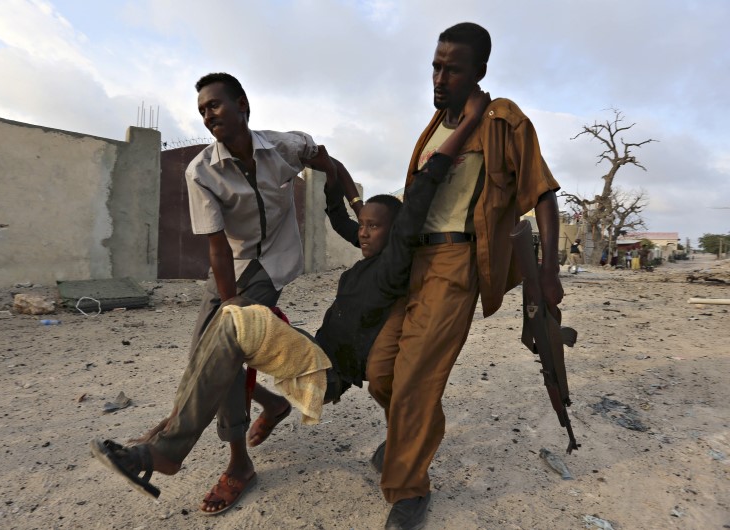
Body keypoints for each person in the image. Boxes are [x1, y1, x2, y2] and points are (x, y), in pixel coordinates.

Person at [89, 87, 491, 516]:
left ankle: (170, 448)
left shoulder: (394, 264)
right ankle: (169, 449)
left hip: (324, 373)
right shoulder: (360, 258)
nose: (364, 232)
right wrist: (351, 199)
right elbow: (338, 213)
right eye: (364, 226)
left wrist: (467, 122)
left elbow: (425, 186)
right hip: (310, 352)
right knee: (231, 321)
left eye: (375, 227)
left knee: (234, 320)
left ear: (396, 235)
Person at [365, 22, 564, 530]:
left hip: (455, 265)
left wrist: (548, 269)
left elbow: (541, 192)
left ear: (479, 71)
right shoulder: (435, 126)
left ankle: (409, 490)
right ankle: (406, 433)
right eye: (435, 65)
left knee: (416, 377)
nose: (439, 76)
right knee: (381, 370)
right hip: (411, 262)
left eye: (452, 68)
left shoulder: (502, 121)